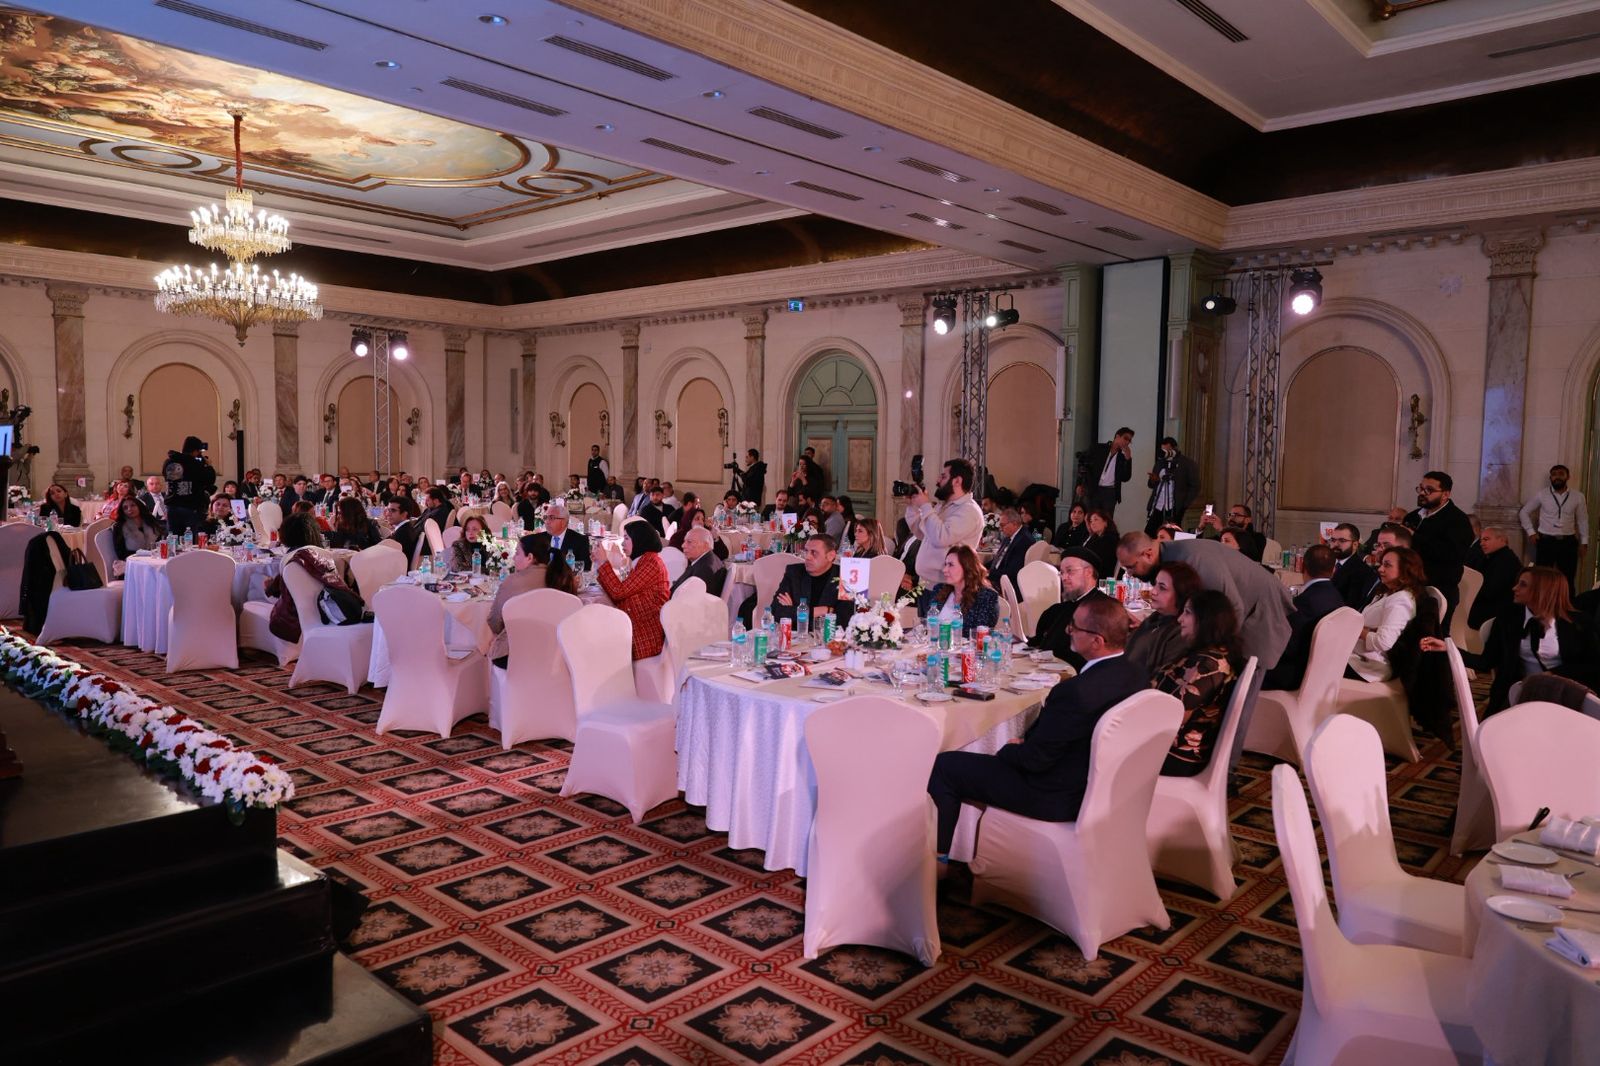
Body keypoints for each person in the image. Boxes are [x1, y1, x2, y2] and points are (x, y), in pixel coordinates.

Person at [925, 597, 1148, 859]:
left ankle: (938, 862)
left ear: (1097, 641)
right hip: (1101, 790)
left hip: (1052, 795)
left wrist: (1008, 749)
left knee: (944, 767)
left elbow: (1035, 760)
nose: (1068, 630)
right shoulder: (1137, 675)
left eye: (1075, 627)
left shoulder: (1075, 692)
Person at [1427, 565, 1598, 716]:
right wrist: (1449, 648)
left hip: (1567, 696)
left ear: (1542, 590)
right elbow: (1486, 662)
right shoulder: (1508, 619)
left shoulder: (1579, 623)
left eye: (1523, 585)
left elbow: (1593, 665)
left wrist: (1553, 675)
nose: (1514, 588)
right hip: (1521, 695)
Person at [1117, 532, 1295, 673]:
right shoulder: (1174, 555)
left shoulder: (1195, 559)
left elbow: (1231, 610)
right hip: (1247, 609)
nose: (1130, 574)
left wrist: (1212, 659)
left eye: (1131, 566)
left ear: (1148, 554)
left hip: (1259, 612)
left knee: (1242, 681)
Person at [1155, 589, 1243, 777]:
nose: (1180, 619)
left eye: (1187, 613)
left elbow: (1172, 718)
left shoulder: (1206, 667)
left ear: (1206, 620)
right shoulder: (1214, 654)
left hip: (1174, 756)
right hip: (1178, 750)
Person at [487, 535, 581, 667]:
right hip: (558, 655)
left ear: (530, 557)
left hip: (515, 655)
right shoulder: (562, 579)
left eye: (517, 553)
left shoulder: (512, 582)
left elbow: (495, 623)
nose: (513, 558)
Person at [1262, 545, 1345, 690]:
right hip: (1323, 671)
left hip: (1295, 674)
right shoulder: (1337, 597)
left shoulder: (1305, 602)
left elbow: (1287, 647)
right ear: (1334, 570)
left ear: (1302, 566)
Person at [1348, 546, 1432, 682]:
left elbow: (1384, 641)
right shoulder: (1388, 592)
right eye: (1381, 564)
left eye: (1387, 565)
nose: (1380, 569)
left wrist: (1357, 629)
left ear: (1405, 570)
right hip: (1357, 655)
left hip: (1370, 666)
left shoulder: (1401, 600)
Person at [1403, 470, 1474, 626]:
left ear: (1445, 494)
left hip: (1439, 589)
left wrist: (1415, 537)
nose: (1422, 493)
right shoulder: (1413, 517)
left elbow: (1452, 554)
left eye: (1429, 490)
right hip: (1408, 585)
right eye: (1421, 488)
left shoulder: (1458, 521)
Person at [903, 457, 985, 589]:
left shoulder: (969, 511)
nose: (938, 481)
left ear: (957, 481)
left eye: (943, 476)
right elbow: (922, 533)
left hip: (946, 586)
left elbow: (941, 538)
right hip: (926, 583)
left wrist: (925, 505)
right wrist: (913, 506)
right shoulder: (944, 506)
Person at [596, 521, 671, 660]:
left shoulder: (651, 563)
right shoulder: (643, 561)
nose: (622, 543)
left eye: (626, 538)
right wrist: (600, 564)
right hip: (637, 627)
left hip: (645, 636)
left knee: (596, 645)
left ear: (639, 539)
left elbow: (618, 592)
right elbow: (619, 594)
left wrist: (603, 563)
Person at [1027, 550, 1110, 667]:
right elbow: (1037, 643)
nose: (1064, 578)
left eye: (1070, 571)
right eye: (1062, 573)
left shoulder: (1105, 609)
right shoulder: (1056, 611)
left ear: (1088, 572)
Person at [1125, 561, 1200, 678]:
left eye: (1162, 588)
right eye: (1155, 584)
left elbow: (1160, 677)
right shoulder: (1156, 618)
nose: (1153, 591)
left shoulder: (1181, 632)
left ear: (1180, 594)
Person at [1520, 464, 1588, 592]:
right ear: (1550, 478)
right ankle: (1542, 603)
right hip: (1546, 542)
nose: (1557, 477)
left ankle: (1567, 604)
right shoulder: (1542, 494)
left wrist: (1584, 542)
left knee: (1567, 579)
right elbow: (1524, 512)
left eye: (1561, 474)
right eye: (1554, 474)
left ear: (1568, 477)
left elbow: (1583, 520)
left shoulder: (1578, 496)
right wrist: (1531, 532)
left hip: (1568, 542)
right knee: (1542, 578)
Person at [771, 533, 855, 627]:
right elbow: (776, 612)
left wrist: (795, 611)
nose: (807, 557)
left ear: (830, 556)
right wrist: (824, 610)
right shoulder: (794, 572)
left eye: (814, 553)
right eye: (806, 551)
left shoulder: (846, 576)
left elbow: (845, 620)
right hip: (798, 635)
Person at [916, 544, 1000, 638]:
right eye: (945, 564)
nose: (944, 570)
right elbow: (927, 627)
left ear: (967, 568)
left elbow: (979, 636)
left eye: (951, 565)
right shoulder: (939, 590)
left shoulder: (987, 597)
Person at [1467, 526, 1523, 630]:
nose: (1482, 543)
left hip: (1497, 615)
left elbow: (1490, 590)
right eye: (1481, 540)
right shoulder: (1492, 557)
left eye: (1486, 539)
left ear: (1501, 540)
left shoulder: (1507, 561)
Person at [1145, 436, 1200, 535]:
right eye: (1163, 450)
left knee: (1171, 535)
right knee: (1150, 533)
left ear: (1175, 449)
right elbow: (1151, 485)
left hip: (1174, 507)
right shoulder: (1160, 462)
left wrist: (1184, 504)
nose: (1165, 453)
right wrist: (1154, 480)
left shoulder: (1187, 464)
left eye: (1167, 450)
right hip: (1157, 505)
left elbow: (1195, 487)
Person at [527, 498, 591, 570]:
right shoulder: (539, 538)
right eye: (545, 517)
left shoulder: (580, 540)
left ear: (563, 521)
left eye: (551, 518)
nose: (547, 522)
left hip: (567, 576)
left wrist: (569, 568)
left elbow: (586, 566)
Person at [987, 506, 1038, 595]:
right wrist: (981, 567)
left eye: (1002, 525)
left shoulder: (1024, 540)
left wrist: (988, 573)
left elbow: (1012, 571)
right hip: (999, 576)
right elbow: (998, 559)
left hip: (1010, 584)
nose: (1000, 529)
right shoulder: (1010, 536)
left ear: (1014, 523)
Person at [1326, 523, 1377, 609]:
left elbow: (1351, 606)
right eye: (1333, 540)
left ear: (1355, 545)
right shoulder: (1326, 563)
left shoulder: (1361, 571)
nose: (1336, 544)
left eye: (1342, 541)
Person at [1082, 427, 1134, 513]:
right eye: (1126, 438)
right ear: (1117, 436)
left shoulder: (1122, 457)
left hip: (1110, 493)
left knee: (1106, 518)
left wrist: (1128, 459)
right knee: (1092, 516)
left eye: (1129, 440)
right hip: (1094, 489)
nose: (1127, 442)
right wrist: (1080, 484)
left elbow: (1125, 477)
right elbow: (1084, 466)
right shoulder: (1098, 448)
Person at [673, 526, 727, 596]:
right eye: (684, 541)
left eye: (689, 542)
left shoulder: (704, 569)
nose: (683, 545)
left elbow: (692, 598)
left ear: (705, 545)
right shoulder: (708, 560)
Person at [1083, 508, 1119, 577]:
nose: (1092, 523)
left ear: (1105, 522)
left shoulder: (1111, 539)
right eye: (1091, 521)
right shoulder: (1094, 537)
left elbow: (1100, 560)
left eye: (1096, 519)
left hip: (1102, 576)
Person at [385, 496, 423, 560]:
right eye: (388, 510)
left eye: (393, 510)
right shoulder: (407, 528)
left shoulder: (402, 534)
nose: (388, 514)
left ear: (404, 514)